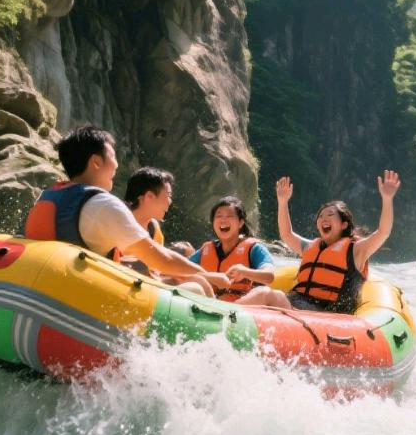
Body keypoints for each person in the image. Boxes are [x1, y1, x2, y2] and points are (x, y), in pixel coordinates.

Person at [23, 125, 226, 295]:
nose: (117, 164)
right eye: (113, 156)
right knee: (198, 287)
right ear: (96, 162)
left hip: (46, 288)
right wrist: (206, 274)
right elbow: (162, 260)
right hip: (84, 296)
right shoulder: (103, 205)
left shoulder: (47, 196)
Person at [239, 170, 401, 313]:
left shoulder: (356, 250)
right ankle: (228, 312)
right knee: (261, 292)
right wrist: (282, 202)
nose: (324, 219)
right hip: (298, 303)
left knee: (267, 295)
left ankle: (225, 314)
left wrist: (387, 199)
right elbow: (287, 234)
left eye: (330, 215)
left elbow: (383, 232)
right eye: (321, 216)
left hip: (327, 313)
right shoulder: (310, 247)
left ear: (344, 224)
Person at [119, 167, 223, 297]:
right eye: (168, 196)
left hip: (148, 283)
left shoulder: (153, 227)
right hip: (123, 286)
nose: (170, 201)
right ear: (149, 196)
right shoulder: (122, 221)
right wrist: (209, 275)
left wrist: (203, 276)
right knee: (195, 289)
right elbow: (164, 260)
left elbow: (158, 269)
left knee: (198, 281)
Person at [187, 196, 276, 302]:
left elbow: (269, 276)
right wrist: (212, 278)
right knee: (190, 281)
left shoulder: (254, 249)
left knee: (267, 293)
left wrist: (245, 272)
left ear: (241, 223)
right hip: (210, 301)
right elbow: (180, 271)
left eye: (229, 216)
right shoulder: (206, 249)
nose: (223, 220)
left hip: (240, 306)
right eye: (218, 216)